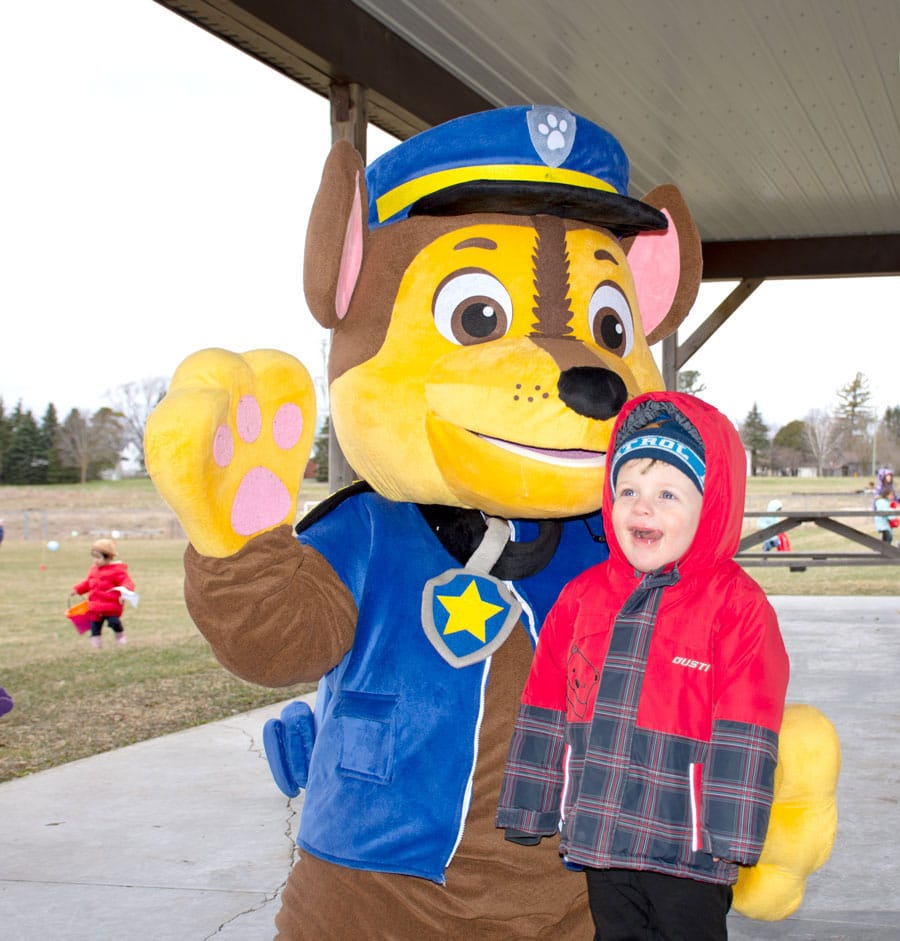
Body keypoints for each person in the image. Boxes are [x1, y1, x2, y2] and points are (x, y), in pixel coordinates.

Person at [497, 390, 789, 941]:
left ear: (712, 506)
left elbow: (749, 726)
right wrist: (528, 805)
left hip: (689, 844)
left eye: (667, 494)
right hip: (602, 832)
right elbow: (544, 706)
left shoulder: (737, 607)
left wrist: (732, 834)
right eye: (627, 489)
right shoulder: (582, 597)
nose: (642, 507)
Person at [72, 538, 135, 649]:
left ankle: (120, 637)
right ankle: (96, 646)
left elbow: (127, 582)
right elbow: (88, 583)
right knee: (95, 628)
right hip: (95, 607)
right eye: (94, 557)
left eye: (98, 557)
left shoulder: (117, 570)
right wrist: (78, 589)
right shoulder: (94, 570)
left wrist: (125, 590)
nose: (95, 560)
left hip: (111, 606)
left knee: (114, 623)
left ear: (109, 557)